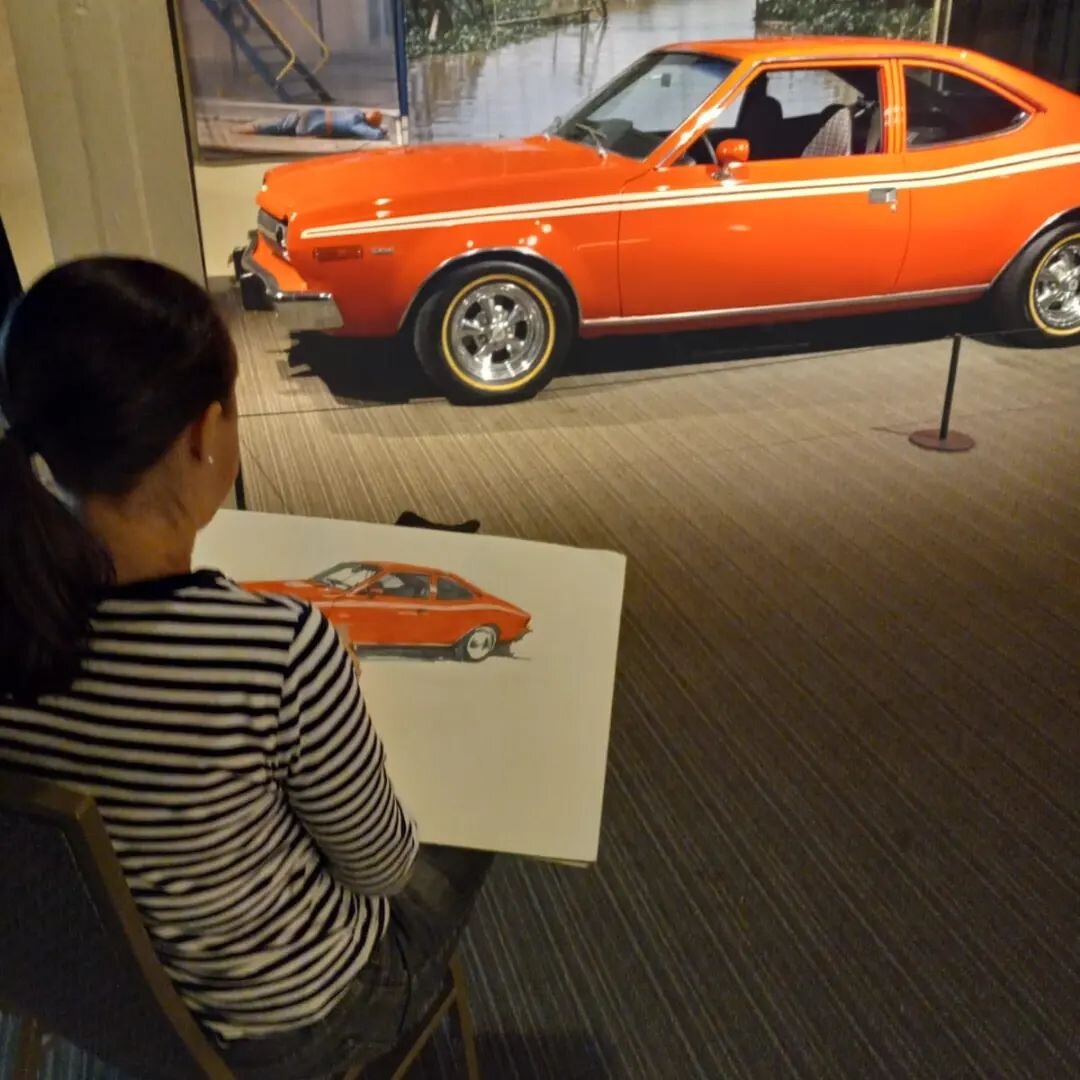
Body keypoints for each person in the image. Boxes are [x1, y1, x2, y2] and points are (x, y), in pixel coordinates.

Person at [0, 258, 491, 1079]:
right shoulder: (277, 646)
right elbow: (377, 867)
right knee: (472, 827)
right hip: (290, 1024)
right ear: (204, 434)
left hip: (87, 993)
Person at [238, 106, 388, 141]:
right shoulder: (356, 123)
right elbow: (374, 135)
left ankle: (252, 127)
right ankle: (252, 129)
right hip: (312, 126)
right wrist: (381, 130)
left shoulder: (353, 111)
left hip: (311, 113)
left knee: (280, 125)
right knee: (284, 131)